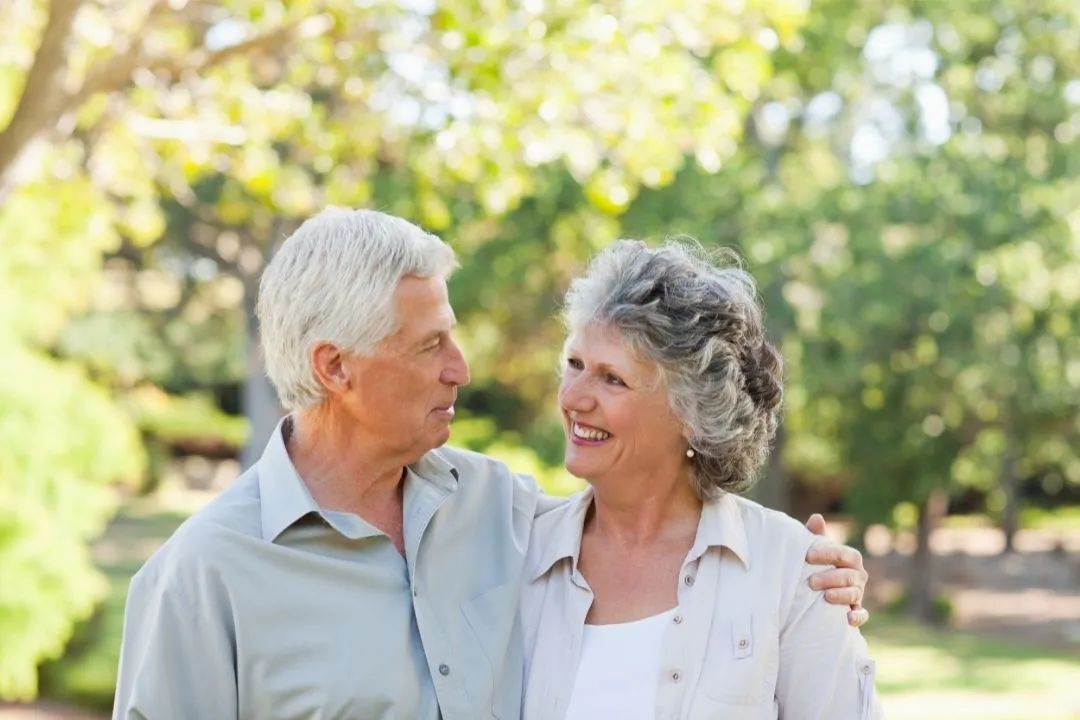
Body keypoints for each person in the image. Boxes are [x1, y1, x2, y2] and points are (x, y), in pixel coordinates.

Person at [113, 208, 870, 719]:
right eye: (428, 345)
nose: (461, 369)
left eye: (452, 335)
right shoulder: (201, 577)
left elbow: (653, 521)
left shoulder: (504, 514)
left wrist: (816, 579)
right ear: (335, 369)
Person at [521, 239, 883, 719]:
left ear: (691, 413)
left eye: (613, 379)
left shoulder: (791, 571)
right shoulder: (520, 553)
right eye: (575, 364)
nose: (574, 398)